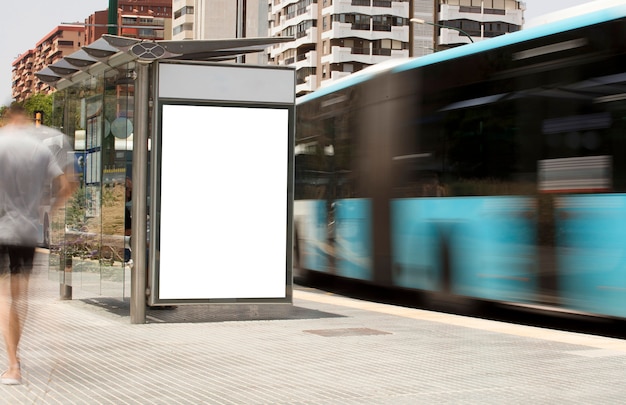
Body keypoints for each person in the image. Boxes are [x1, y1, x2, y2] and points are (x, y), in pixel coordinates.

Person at [0, 105, 72, 385]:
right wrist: (48, 214)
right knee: (18, 297)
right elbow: (66, 186)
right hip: (27, 231)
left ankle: (13, 365)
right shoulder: (39, 150)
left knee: (2, 297)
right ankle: (14, 365)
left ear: (8, 118)